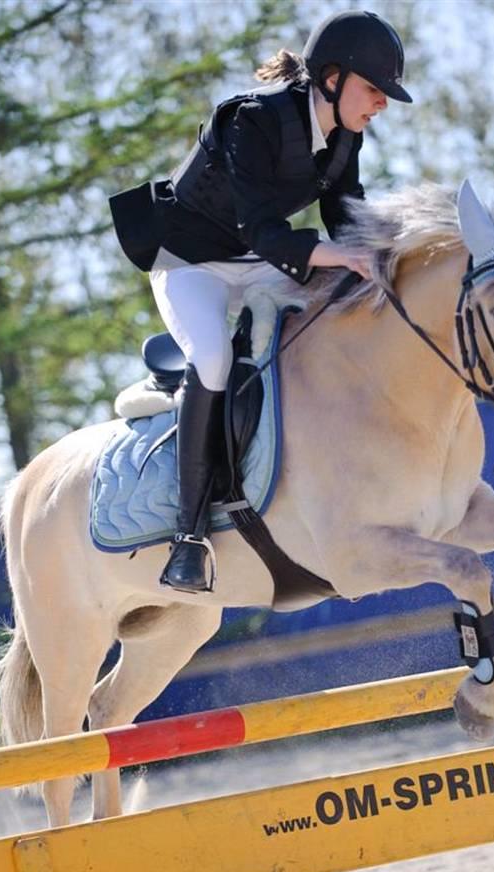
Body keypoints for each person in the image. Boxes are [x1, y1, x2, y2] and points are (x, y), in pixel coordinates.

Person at [109, 9, 413, 593]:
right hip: (188, 261)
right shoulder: (255, 118)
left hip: (254, 264)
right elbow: (262, 230)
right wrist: (341, 257)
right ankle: (188, 536)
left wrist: (390, 254)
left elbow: (346, 218)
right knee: (216, 359)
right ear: (332, 78)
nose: (382, 104)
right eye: (374, 89)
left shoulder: (346, 135)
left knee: (332, 312)